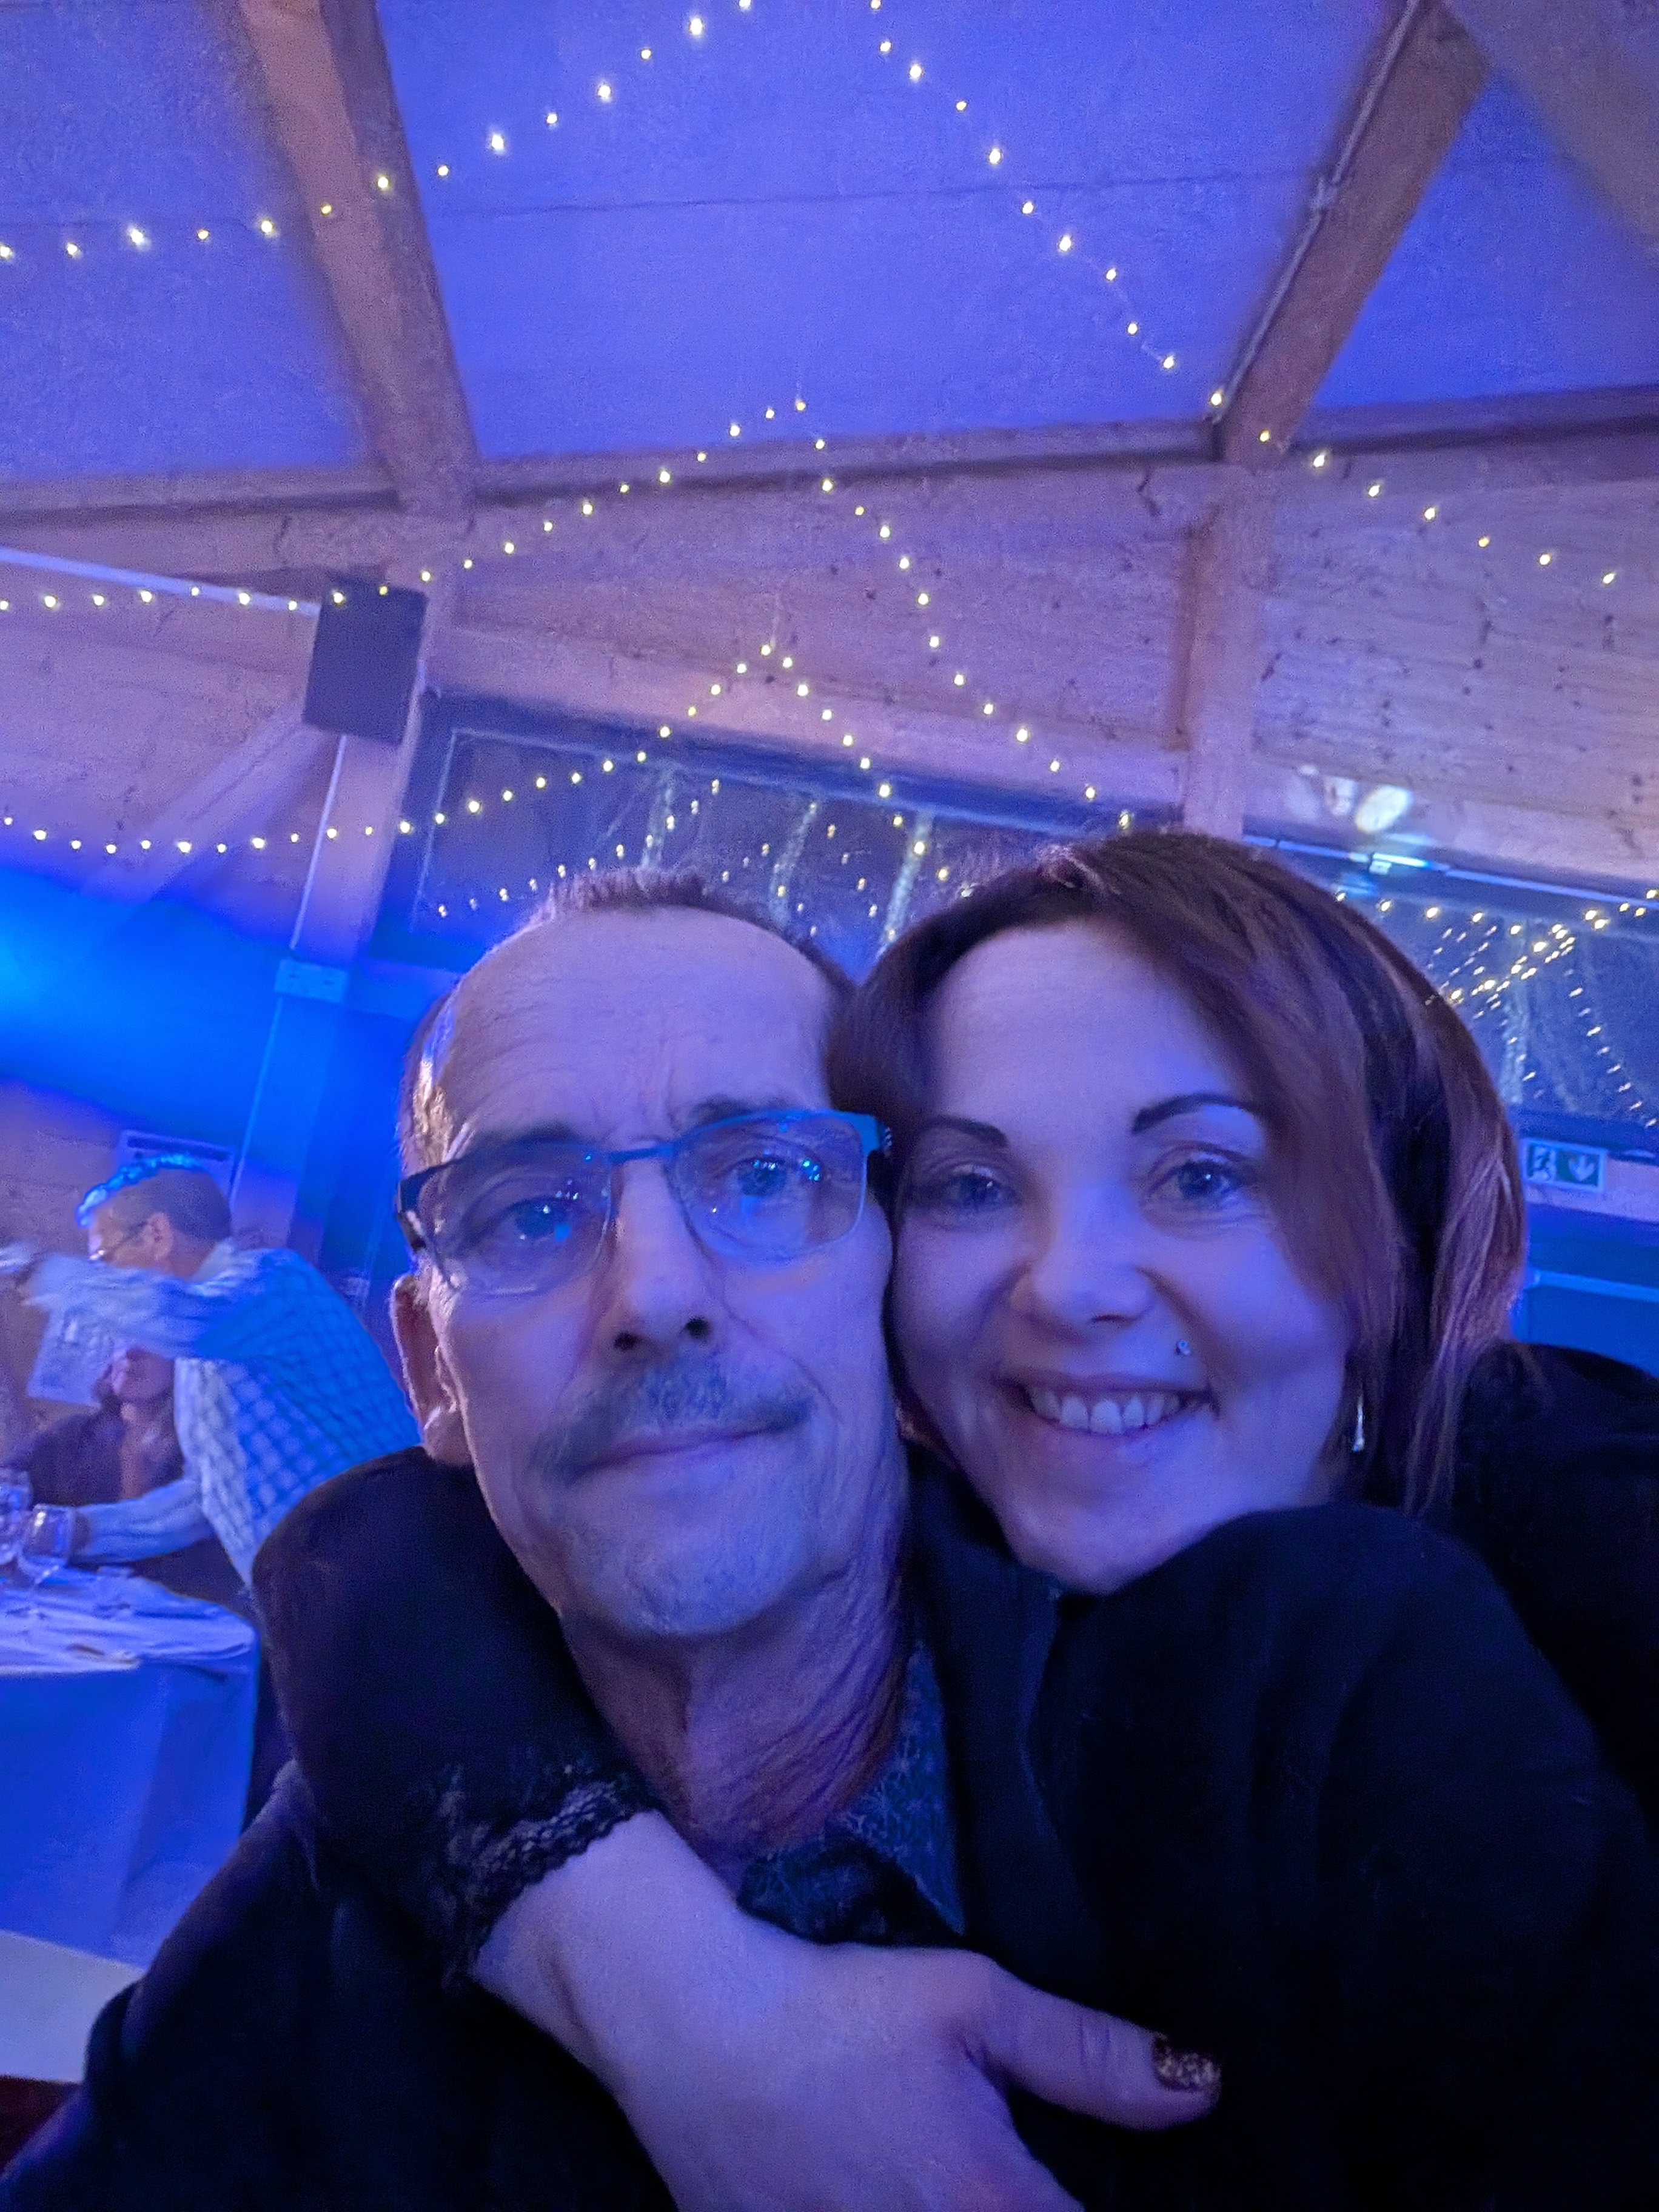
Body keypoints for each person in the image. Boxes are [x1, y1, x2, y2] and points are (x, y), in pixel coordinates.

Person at [8, 859, 1658, 2208]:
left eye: (762, 1175)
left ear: (879, 1292)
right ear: (433, 1370)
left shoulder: (1361, 1692)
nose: (654, 1294)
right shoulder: (365, 1848)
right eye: (528, 1210)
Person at [0, 1157, 417, 1587]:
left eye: (105, 1259)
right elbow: (205, 1498)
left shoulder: (275, 1282)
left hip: (396, 1571)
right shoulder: (201, 1346)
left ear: (157, 1234)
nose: (105, 1276)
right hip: (332, 1589)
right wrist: (76, 1531)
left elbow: (182, 1317)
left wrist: (26, 1266)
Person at [12, 1346, 244, 1611]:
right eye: (125, 1335)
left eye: (154, 1341)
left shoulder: (213, 1458)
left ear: (193, 1366)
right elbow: (8, 1494)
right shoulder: (69, 1437)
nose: (131, 1351)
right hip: (57, 1616)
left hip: (178, 1626)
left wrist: (71, 1530)